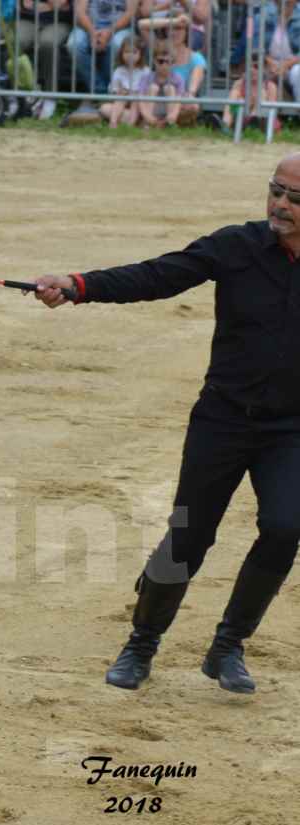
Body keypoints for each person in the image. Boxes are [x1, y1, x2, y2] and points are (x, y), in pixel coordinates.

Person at [31, 155, 300, 694]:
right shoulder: (238, 246)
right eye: (275, 191)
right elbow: (158, 275)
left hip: (291, 428)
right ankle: (142, 643)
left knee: (285, 527)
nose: (280, 205)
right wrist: (79, 285)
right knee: (189, 535)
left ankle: (228, 648)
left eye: (295, 198)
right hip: (221, 419)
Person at [62, 0, 138, 121]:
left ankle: (108, 94)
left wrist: (109, 32)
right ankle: (101, 93)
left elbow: (130, 13)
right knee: (74, 45)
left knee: (117, 45)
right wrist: (92, 33)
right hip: (87, 26)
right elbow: (80, 12)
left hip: (120, 28)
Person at [98, 30, 146, 126]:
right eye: (127, 52)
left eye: (134, 52)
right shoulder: (118, 71)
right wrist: (119, 92)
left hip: (139, 104)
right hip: (123, 104)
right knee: (105, 108)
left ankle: (131, 123)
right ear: (121, 53)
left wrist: (135, 94)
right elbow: (113, 90)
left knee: (136, 100)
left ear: (140, 55)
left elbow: (146, 90)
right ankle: (113, 122)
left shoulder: (145, 71)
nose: (130, 55)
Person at [136, 45, 183, 127]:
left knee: (170, 88)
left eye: (168, 62)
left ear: (173, 63)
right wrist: (146, 115)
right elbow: (140, 98)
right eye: (160, 61)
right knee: (153, 88)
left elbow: (179, 100)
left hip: (168, 109)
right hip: (152, 109)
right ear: (154, 61)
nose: (164, 65)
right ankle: (148, 123)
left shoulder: (178, 79)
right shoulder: (147, 77)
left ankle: (170, 123)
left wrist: (173, 115)